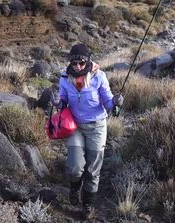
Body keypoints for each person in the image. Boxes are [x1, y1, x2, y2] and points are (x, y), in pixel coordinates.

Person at [54, 43, 123, 220]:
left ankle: (87, 204)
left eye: (82, 63)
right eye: (75, 63)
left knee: (93, 170)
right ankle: (75, 188)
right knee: (75, 168)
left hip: (97, 127)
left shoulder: (99, 77)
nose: (78, 66)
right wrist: (58, 103)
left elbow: (108, 103)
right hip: (75, 127)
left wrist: (115, 103)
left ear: (88, 61)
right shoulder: (64, 77)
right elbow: (63, 100)